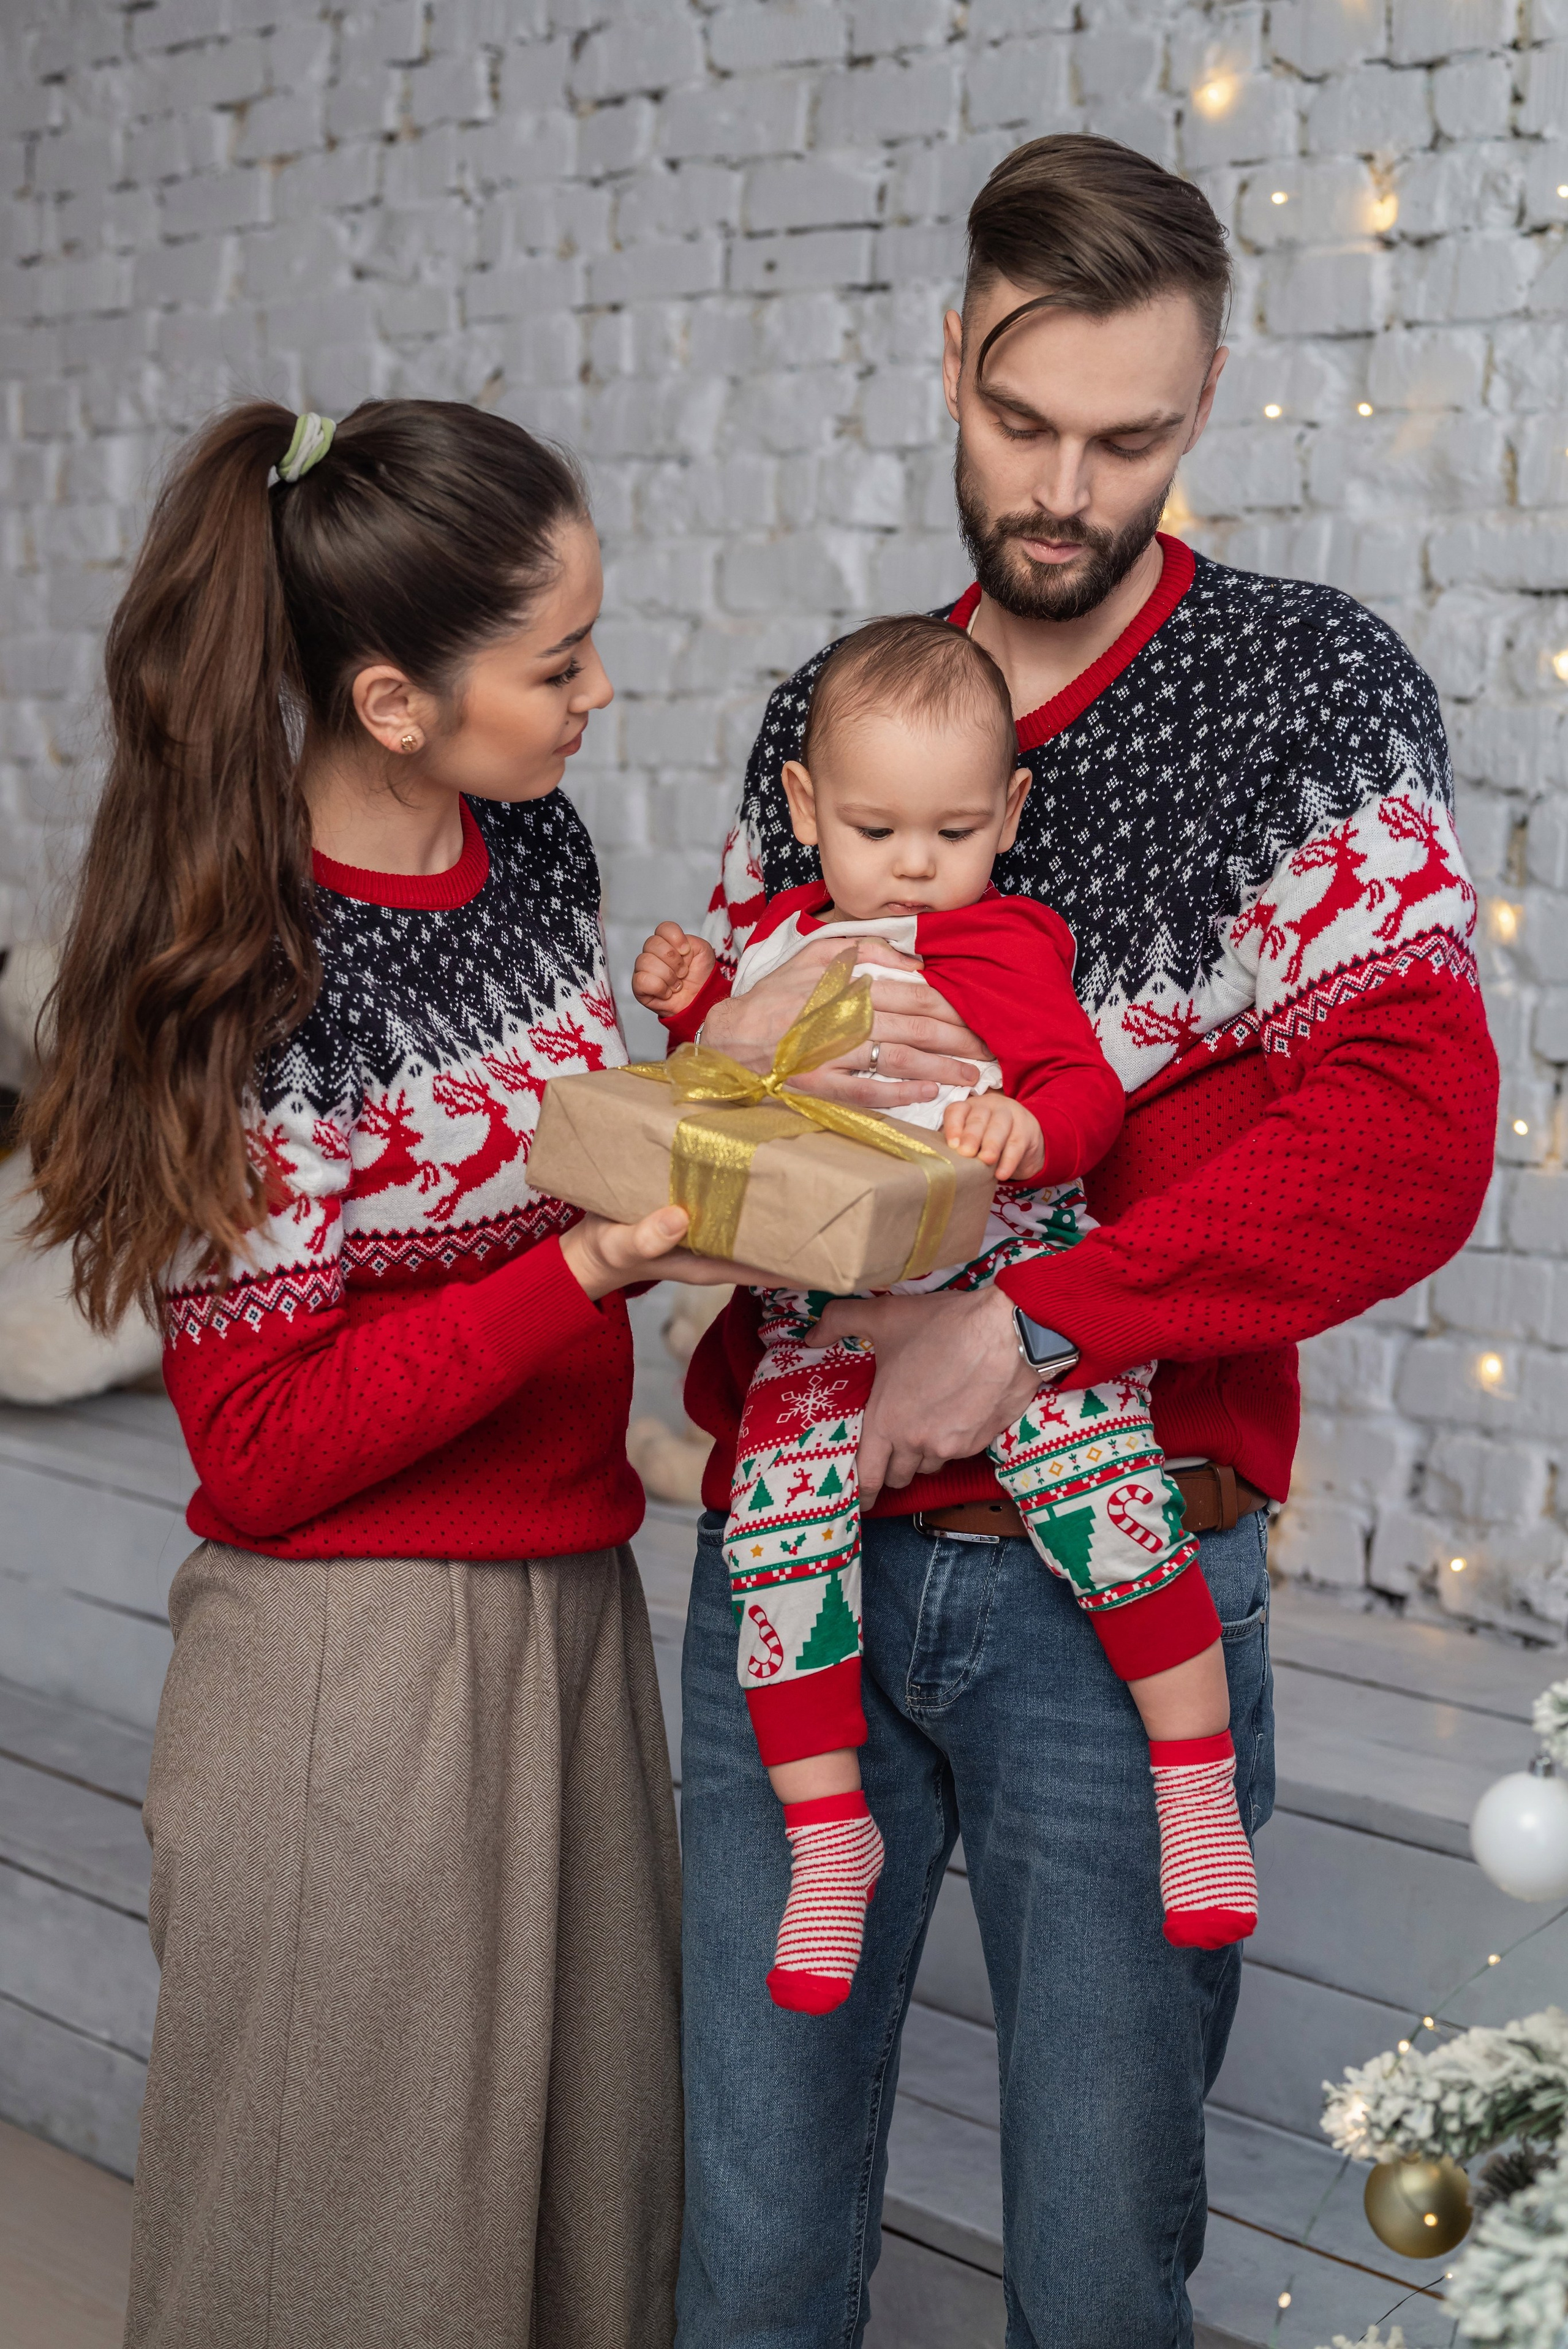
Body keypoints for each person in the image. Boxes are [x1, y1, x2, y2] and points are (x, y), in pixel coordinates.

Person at [673, 135, 1498, 2347]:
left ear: (1207, 399)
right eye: (1018, 422)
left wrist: (1028, 1323)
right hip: (811, 1536)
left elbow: (1416, 1138)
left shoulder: (1305, 694)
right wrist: (726, 1086)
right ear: (950, 356)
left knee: (1097, 2272)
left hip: (1113, 1587)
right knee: (748, 2243)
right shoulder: (831, 721)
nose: (1061, 487)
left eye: (1126, 438)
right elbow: (754, 1152)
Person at [24, 397, 746, 2349]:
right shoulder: (246, 978)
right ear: (397, 701)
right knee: (347, 2264)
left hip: (567, 1608)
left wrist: (703, 1092)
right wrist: (589, 1267)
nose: (603, 690)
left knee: (583, 2225)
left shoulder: (534, 860)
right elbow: (264, 1447)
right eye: (558, 661)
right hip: (351, 1667)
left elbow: (539, 1172)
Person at [636, 614, 1258, 2019]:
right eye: (873, 826)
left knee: (1105, 1484)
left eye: (955, 827)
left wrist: (1023, 1121)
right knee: (776, 1535)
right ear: (803, 810)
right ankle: (825, 1836)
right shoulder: (774, 945)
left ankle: (1191, 1776)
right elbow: (720, 1118)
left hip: (994, 1285)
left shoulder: (1006, 940)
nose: (914, 862)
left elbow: (1087, 1101)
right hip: (825, 1318)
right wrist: (691, 1018)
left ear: (1010, 814)